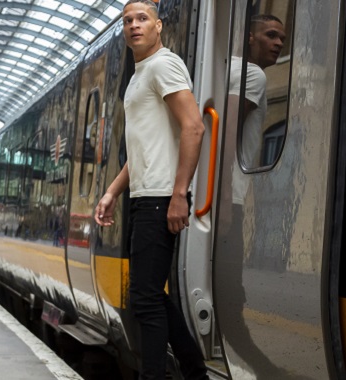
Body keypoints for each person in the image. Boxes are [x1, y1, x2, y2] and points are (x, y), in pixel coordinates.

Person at [94, 1, 207, 378]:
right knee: (147, 294)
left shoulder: (164, 65)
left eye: (142, 19)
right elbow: (141, 149)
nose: (133, 25)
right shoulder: (138, 76)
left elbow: (194, 127)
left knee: (145, 297)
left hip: (161, 198)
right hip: (144, 199)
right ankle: (194, 370)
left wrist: (179, 194)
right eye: (127, 20)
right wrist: (112, 192)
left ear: (159, 26)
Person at [219, 13, 287, 377]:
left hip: (220, 198)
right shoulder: (253, 75)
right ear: (249, 37)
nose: (278, 43)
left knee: (226, 301)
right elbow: (228, 133)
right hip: (229, 201)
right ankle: (270, 374)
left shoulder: (225, 70)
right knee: (230, 305)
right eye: (270, 35)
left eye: (282, 39)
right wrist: (226, 199)